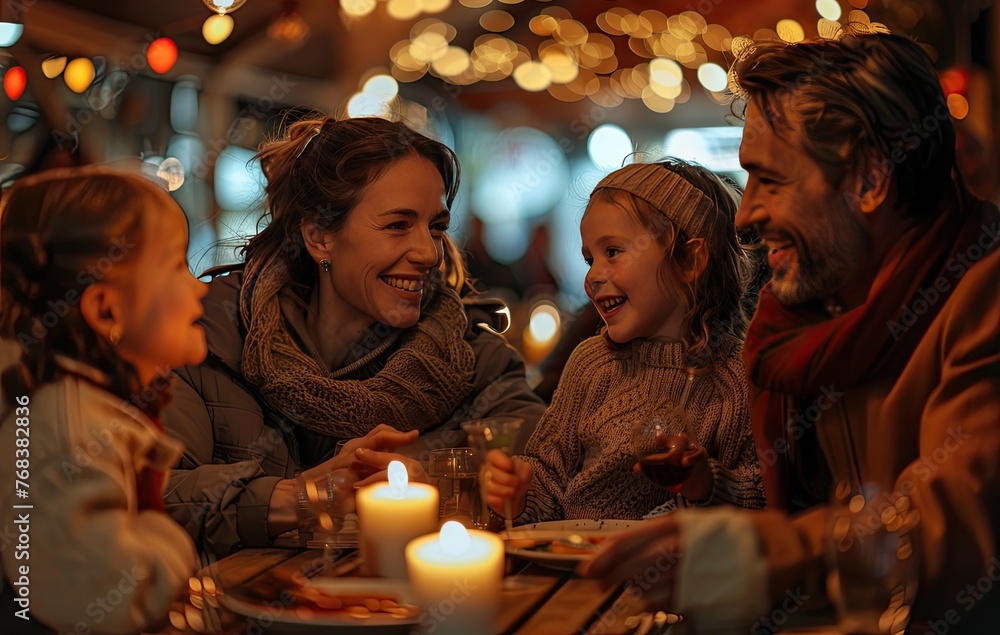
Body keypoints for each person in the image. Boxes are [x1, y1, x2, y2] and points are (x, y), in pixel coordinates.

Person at [580, 28, 1000, 632]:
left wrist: (774, 550)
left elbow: (950, 528)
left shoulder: (979, 296)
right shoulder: (800, 323)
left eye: (770, 180)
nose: (746, 215)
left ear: (869, 180)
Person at [161, 116, 544, 560]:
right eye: (398, 225)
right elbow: (148, 497)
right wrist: (302, 495)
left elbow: (542, 474)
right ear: (320, 237)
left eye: (435, 227)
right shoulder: (207, 338)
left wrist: (442, 491)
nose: (427, 253)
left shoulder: (473, 359)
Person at [483, 160, 765, 523]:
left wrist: (704, 482)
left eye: (613, 252)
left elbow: (759, 498)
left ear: (690, 260)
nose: (593, 278)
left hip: (677, 574)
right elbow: (547, 476)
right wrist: (519, 491)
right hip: (577, 567)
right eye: (589, 259)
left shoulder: (737, 379)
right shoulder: (590, 363)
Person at [0, 168, 203, 633]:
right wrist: (171, 544)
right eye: (177, 266)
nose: (200, 287)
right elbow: (103, 597)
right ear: (106, 309)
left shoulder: (83, 410)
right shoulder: (68, 431)